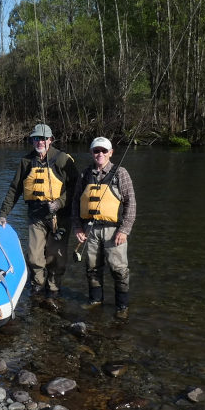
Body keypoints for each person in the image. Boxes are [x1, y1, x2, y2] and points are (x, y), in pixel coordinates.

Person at [0, 124, 79, 298]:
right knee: (34, 257)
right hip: (36, 216)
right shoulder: (26, 162)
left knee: (55, 257)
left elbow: (76, 188)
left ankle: (54, 288)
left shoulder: (63, 159)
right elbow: (15, 189)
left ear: (51, 140)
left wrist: (59, 202)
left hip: (60, 217)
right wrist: (4, 214)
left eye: (43, 138)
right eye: (36, 138)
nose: (39, 142)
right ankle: (38, 286)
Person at [72, 136, 137, 320]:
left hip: (114, 231)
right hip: (89, 230)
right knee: (92, 268)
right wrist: (77, 227)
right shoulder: (85, 175)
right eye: (96, 151)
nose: (99, 154)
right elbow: (76, 203)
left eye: (103, 151)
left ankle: (122, 306)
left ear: (110, 153)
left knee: (119, 269)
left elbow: (131, 203)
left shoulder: (120, 173)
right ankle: (95, 301)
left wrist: (125, 230)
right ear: (91, 153)